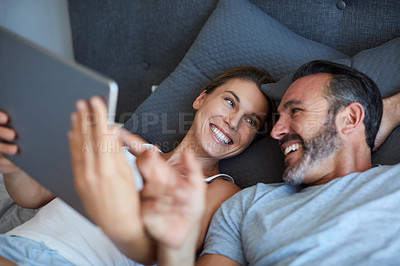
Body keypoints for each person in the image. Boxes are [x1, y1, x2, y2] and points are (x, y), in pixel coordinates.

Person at [68, 60, 400, 266]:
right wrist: (176, 248)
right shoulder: (246, 206)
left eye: (296, 111)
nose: (277, 133)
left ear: (351, 117)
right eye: (277, 118)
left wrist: (383, 116)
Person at [0, 66, 274, 265]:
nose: (233, 121)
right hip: (14, 243)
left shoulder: (221, 191)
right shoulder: (118, 142)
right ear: (201, 99)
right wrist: (13, 165)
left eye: (251, 121)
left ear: (251, 139)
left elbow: (163, 249)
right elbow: (34, 195)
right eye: (229, 102)